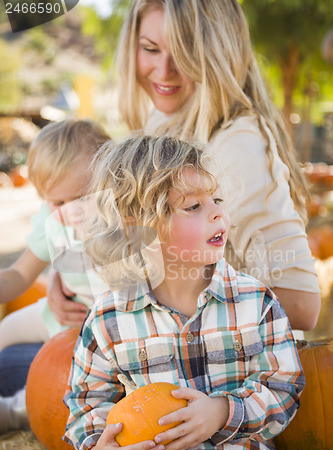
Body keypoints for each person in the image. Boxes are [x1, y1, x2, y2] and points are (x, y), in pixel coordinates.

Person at [48, 0, 321, 333]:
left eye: (185, 52)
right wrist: (73, 280)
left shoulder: (238, 145)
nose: (164, 71)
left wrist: (155, 303)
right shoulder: (163, 119)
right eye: (150, 49)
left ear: (220, 54)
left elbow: (302, 305)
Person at [64, 135, 304, 450]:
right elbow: (87, 402)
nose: (218, 213)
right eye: (193, 206)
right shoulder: (108, 318)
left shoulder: (255, 302)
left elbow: (284, 387)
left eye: (217, 200)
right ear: (137, 225)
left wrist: (222, 412)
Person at [0, 119, 110, 432]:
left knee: (63, 383)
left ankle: (13, 411)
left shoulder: (121, 225)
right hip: (59, 312)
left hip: (96, 338)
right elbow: (20, 275)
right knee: (7, 327)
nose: (70, 210)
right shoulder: (53, 221)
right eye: (58, 201)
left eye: (82, 196)